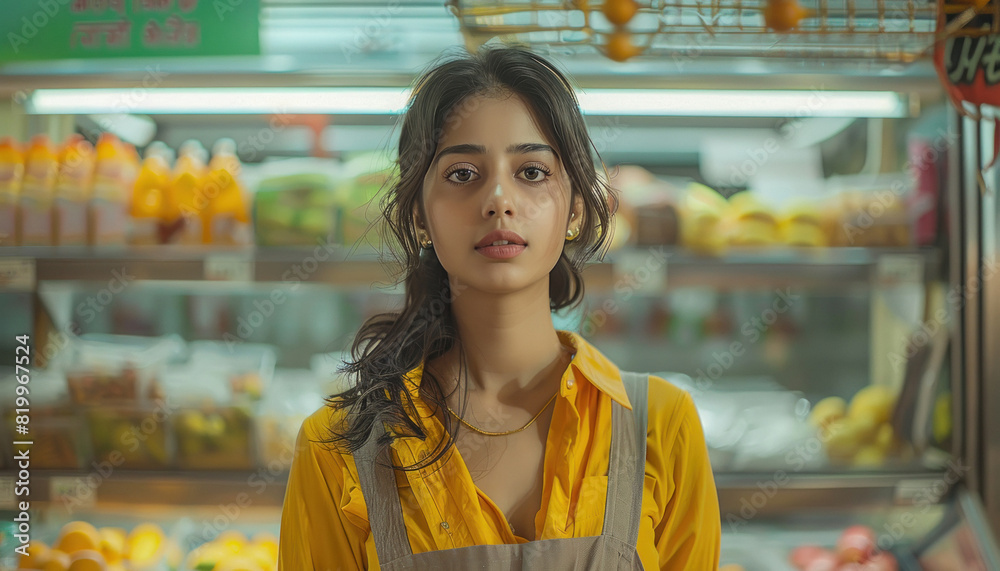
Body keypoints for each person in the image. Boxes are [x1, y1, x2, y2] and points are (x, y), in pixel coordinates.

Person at [278, 43, 721, 570]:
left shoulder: (661, 427)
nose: (498, 200)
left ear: (576, 207)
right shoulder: (336, 448)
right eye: (462, 174)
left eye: (531, 172)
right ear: (419, 215)